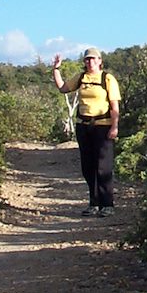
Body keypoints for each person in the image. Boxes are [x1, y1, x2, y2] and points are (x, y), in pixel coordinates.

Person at [52, 47, 122, 217]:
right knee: (88, 167)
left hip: (103, 126)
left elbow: (114, 106)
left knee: (103, 167)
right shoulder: (81, 77)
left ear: (100, 61)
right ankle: (94, 202)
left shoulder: (107, 79)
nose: (90, 62)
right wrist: (56, 69)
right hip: (84, 126)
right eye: (87, 59)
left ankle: (107, 204)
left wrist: (114, 126)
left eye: (93, 59)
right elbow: (63, 88)